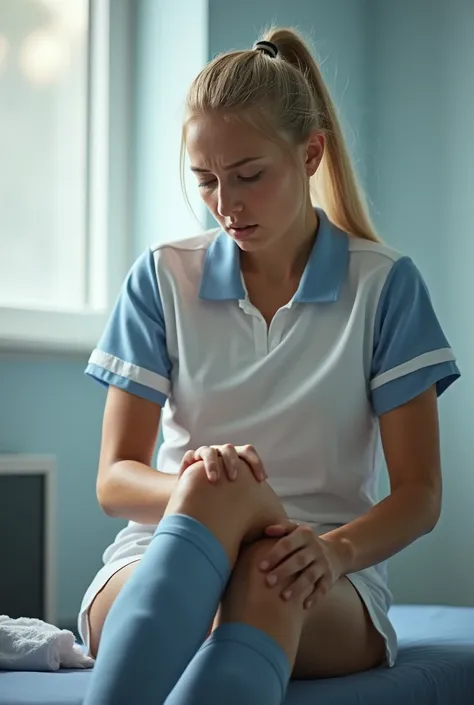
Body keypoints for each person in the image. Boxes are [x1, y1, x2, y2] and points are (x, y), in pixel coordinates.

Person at [80, 26, 460, 705]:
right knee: (221, 487)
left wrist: (335, 551)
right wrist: (211, 490)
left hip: (320, 568)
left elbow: (419, 495)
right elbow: (115, 480)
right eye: (206, 180)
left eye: (249, 175)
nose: (226, 203)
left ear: (310, 153)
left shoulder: (384, 286)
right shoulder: (163, 277)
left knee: (266, 569)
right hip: (162, 554)